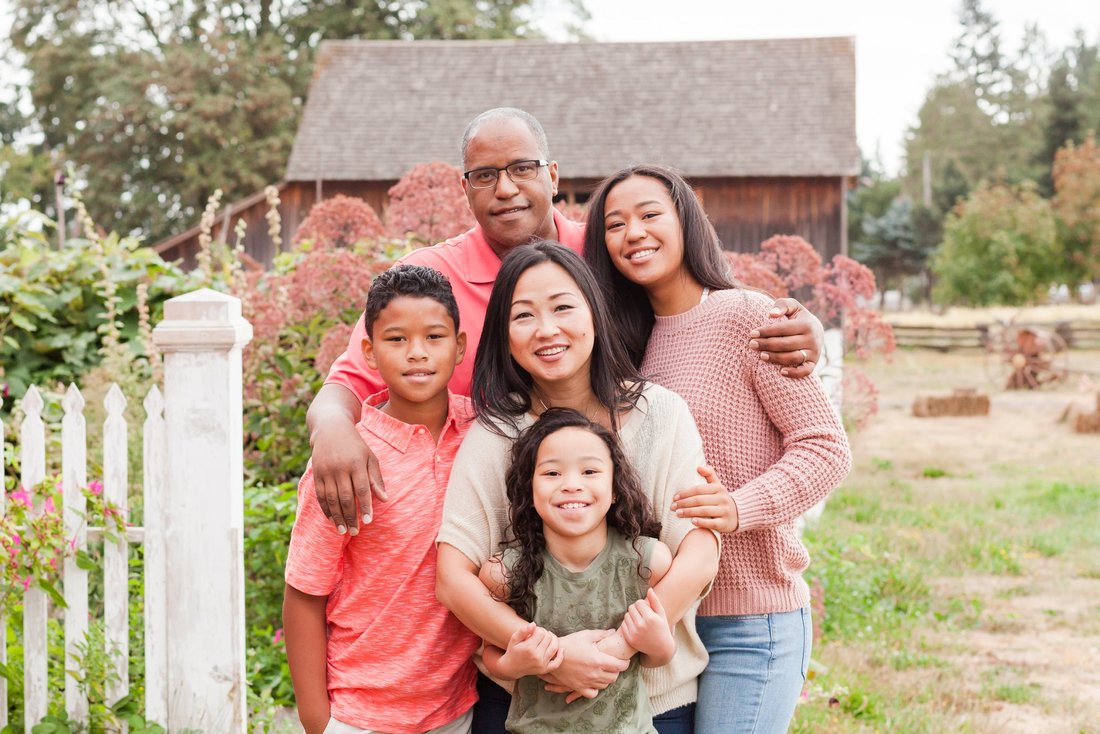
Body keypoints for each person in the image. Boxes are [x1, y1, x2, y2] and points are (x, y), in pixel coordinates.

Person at [305, 107, 825, 536]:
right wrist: (331, 428)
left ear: (551, 176)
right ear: (465, 190)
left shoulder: (606, 250)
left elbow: (696, 300)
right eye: (484, 176)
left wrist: (802, 326)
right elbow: (348, 382)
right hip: (489, 521)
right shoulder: (429, 277)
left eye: (522, 169)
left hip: (623, 519)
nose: (505, 189)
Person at [583, 164, 853, 734]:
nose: (633, 233)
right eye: (614, 224)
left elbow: (826, 447)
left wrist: (740, 506)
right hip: (661, 624)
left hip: (751, 621)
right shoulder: (619, 348)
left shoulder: (748, 316)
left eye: (650, 215)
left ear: (686, 221)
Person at [434, 241, 719, 734]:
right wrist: (551, 654)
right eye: (523, 316)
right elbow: (453, 577)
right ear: (503, 334)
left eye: (563, 307)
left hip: (653, 707)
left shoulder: (661, 415)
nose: (547, 330)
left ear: (595, 312)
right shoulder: (497, 433)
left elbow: (699, 549)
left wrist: (620, 647)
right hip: (522, 710)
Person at [283, 265, 480, 734]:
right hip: (359, 713)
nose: (417, 354)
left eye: (434, 337)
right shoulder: (346, 459)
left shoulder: (483, 434)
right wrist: (318, 722)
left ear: (460, 347)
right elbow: (304, 593)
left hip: (455, 710)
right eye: (396, 340)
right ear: (369, 352)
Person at [479, 408, 676, 734]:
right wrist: (514, 664)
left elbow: (656, 657)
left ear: (615, 488)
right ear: (530, 489)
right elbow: (492, 652)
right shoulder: (506, 573)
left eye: (589, 471)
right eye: (552, 473)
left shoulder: (645, 562)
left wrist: (658, 642)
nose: (571, 485)